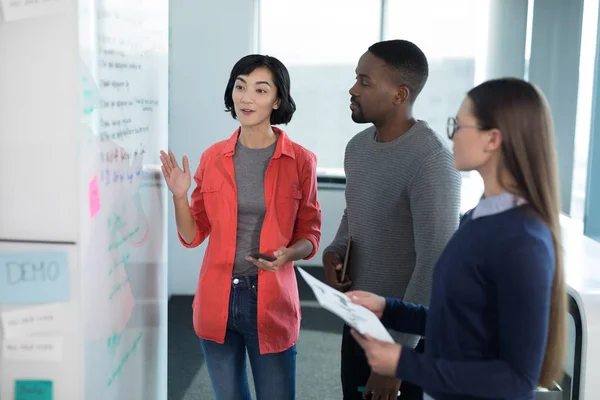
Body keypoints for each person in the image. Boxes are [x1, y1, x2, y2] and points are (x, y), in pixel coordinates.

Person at [347, 78, 567, 400]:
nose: (450, 136)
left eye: (459, 125)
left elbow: (515, 380)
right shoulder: (478, 216)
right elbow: (461, 318)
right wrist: (390, 309)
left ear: (492, 139)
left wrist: (403, 362)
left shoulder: (523, 239)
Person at [160, 54, 322, 400]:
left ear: (277, 100)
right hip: (217, 298)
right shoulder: (212, 158)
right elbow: (192, 235)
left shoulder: (301, 161)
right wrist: (179, 196)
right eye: (240, 86)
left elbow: (310, 233)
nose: (246, 98)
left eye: (260, 90)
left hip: (271, 299)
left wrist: (289, 253)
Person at [322, 39, 462, 400]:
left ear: (400, 94)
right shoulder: (356, 148)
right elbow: (356, 216)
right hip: (358, 322)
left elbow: (435, 263)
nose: (353, 89)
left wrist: (399, 357)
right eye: (356, 78)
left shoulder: (431, 160)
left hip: (407, 341)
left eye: (365, 81)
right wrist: (333, 254)